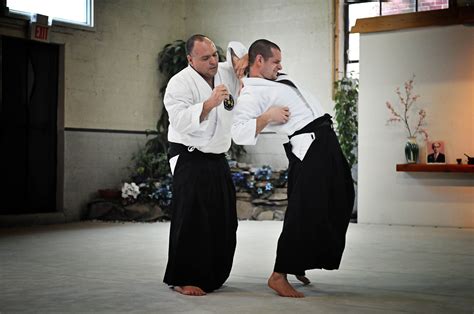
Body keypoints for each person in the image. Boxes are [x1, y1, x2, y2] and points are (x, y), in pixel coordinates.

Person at [232, 39, 354, 298]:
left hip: (325, 138)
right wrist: (267, 117)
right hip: (307, 146)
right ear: (260, 61)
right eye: (275, 61)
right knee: (303, 210)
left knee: (341, 196)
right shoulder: (253, 93)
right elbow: (238, 132)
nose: (280, 65)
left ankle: (299, 260)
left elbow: (241, 50)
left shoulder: (274, 78)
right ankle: (279, 274)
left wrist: (244, 60)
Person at [163, 34, 247, 296]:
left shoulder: (225, 71)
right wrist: (209, 103)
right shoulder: (179, 83)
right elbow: (179, 120)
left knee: (224, 218)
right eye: (205, 57)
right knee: (191, 218)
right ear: (190, 59)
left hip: (216, 156)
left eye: (214, 55)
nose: (213, 61)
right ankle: (182, 278)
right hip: (189, 155)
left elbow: (237, 45)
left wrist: (238, 60)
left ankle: (213, 274)